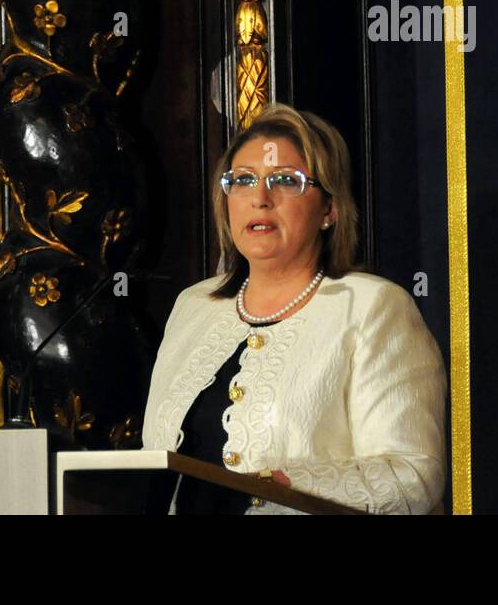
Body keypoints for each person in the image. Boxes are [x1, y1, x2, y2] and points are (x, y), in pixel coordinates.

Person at [141, 102, 448, 514]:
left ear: (329, 209)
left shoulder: (373, 308)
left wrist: (286, 486)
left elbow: (412, 476)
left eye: (286, 180)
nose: (260, 199)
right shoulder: (194, 306)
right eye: (244, 180)